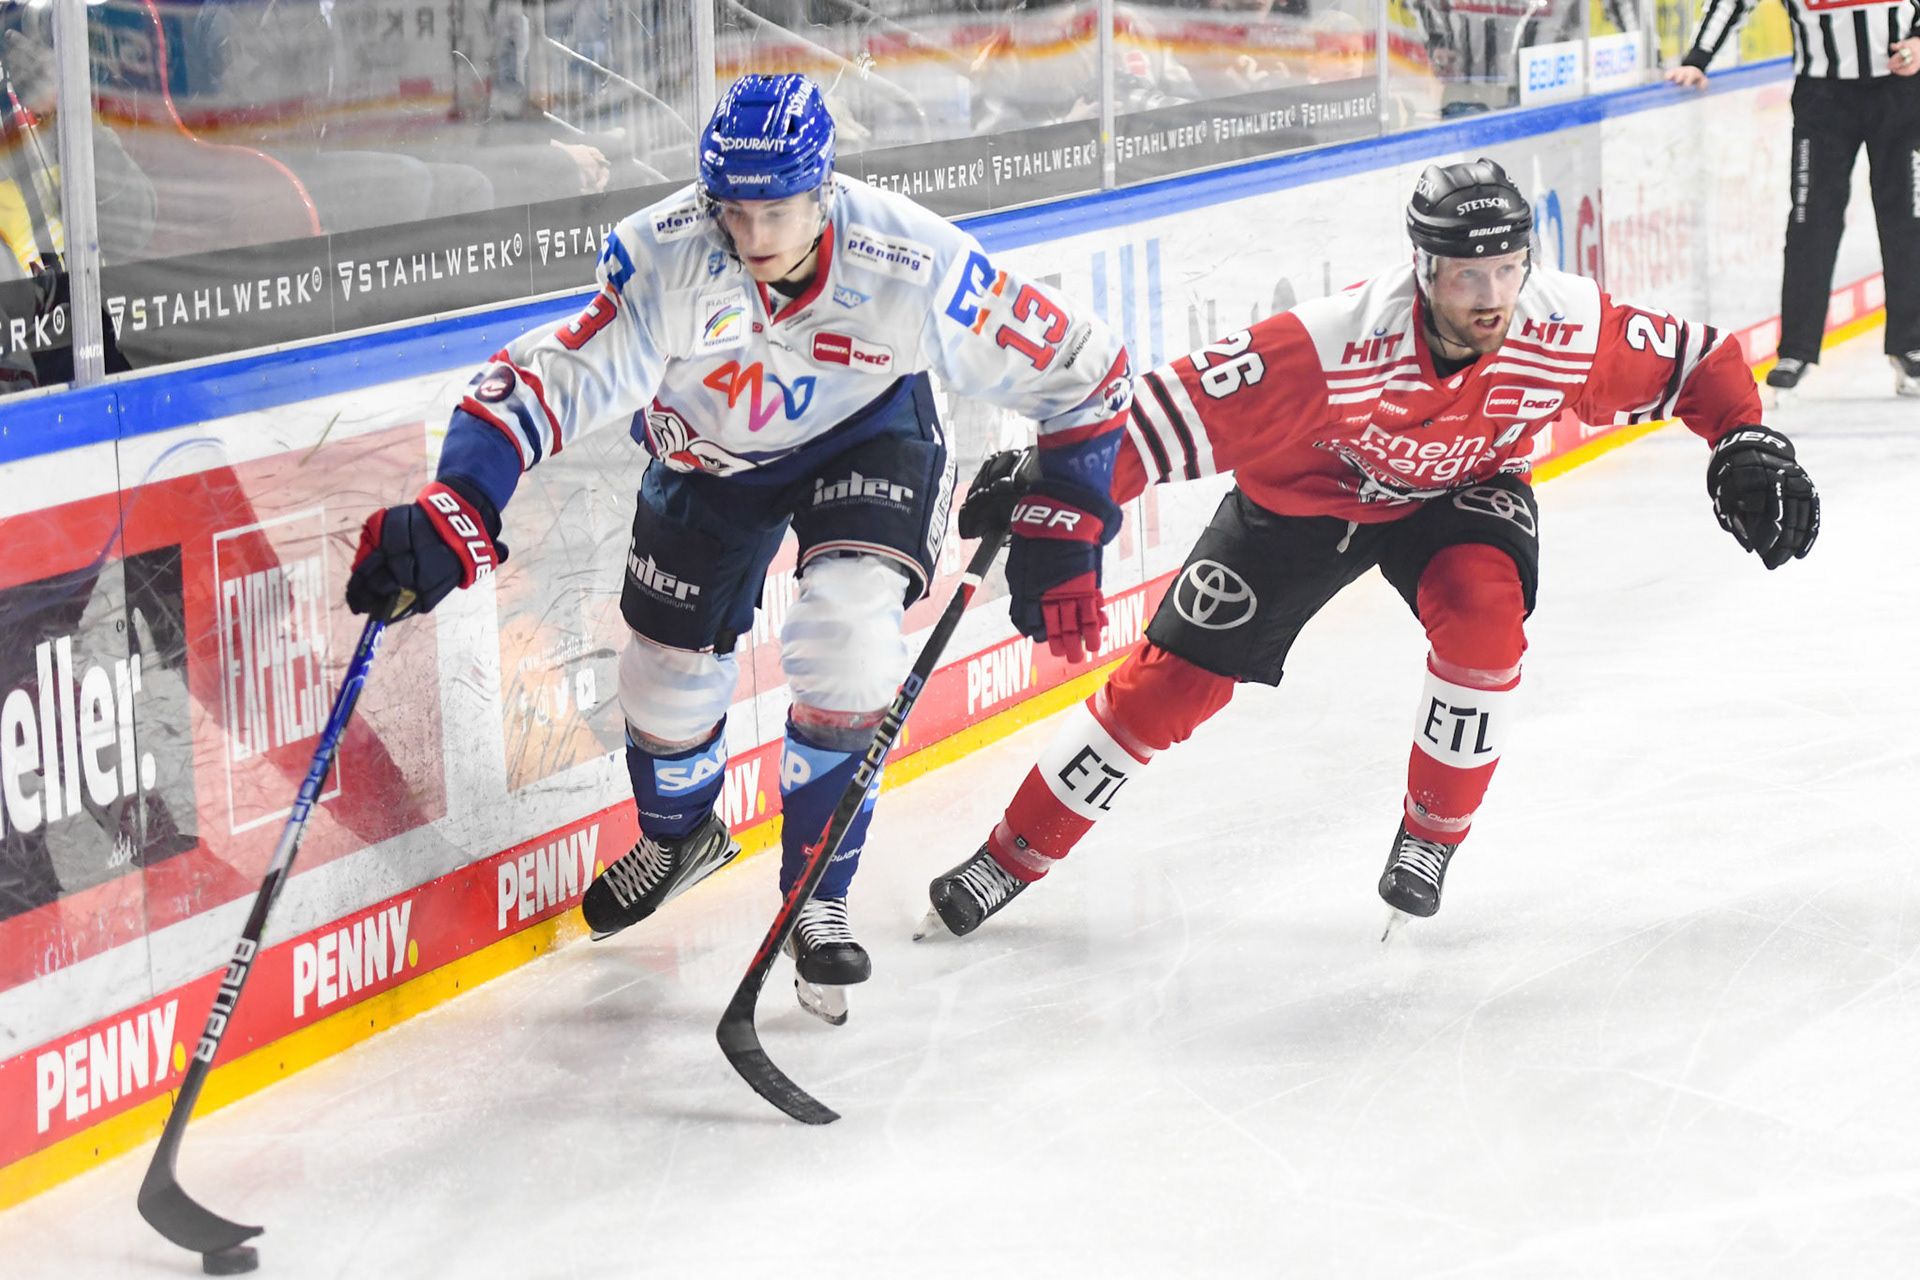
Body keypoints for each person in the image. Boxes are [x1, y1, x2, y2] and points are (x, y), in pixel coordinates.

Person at [344, 73, 1132, 1023]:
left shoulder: (913, 261)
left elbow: (1088, 368)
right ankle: (680, 838)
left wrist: (1073, 511)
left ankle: (817, 894)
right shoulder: (663, 254)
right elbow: (542, 379)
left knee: (846, 639)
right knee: (662, 683)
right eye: (733, 210)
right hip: (711, 458)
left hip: (868, 436)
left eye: (776, 212)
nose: (752, 238)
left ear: (824, 189)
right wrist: (458, 501)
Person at [915, 158, 1820, 942]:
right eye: (1469, 276)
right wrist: (1055, 471)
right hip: (1301, 504)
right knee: (1168, 688)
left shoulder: (1563, 326)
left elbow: (1700, 361)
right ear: (1424, 268)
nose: (1494, 297)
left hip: (1459, 492)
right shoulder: (1327, 347)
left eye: (1509, 269)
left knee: (1484, 617)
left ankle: (1431, 834)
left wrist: (1746, 439)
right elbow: (1159, 419)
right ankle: (1011, 855)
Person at [1667, 0, 1920, 396]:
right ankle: (1796, 351)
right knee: (1810, 221)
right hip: (1823, 98)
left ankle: (1910, 345)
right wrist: (1698, 58)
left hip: (1900, 92)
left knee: (1908, 218)